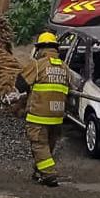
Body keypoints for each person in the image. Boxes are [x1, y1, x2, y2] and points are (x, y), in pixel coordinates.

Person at [16, 32, 70, 187]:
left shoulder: (38, 65)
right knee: (48, 145)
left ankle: (49, 174)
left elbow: (20, 85)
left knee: (39, 144)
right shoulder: (64, 67)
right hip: (58, 116)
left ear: (39, 48)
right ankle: (39, 170)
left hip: (38, 115)